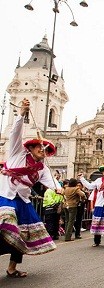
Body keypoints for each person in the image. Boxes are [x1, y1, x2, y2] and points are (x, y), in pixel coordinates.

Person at [0, 98, 59, 278]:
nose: (43, 151)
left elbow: (52, 183)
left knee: (23, 236)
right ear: (31, 148)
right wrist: (22, 113)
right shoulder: (17, 153)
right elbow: (15, 133)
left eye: (47, 150)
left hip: (23, 202)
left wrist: (59, 189)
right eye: (40, 147)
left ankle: (12, 268)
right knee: (5, 226)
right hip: (5, 197)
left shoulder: (43, 168)